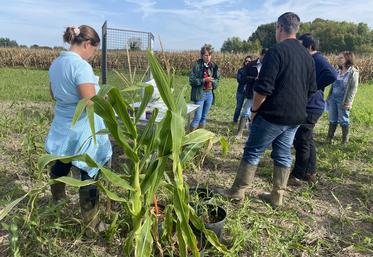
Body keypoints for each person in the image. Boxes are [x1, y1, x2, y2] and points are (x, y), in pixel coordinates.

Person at [217, 12, 316, 208]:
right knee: (283, 154)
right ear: (296, 29)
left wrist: (254, 111)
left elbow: (263, 88)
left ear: (279, 27)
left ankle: (237, 192)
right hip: (296, 117)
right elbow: (312, 89)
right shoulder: (307, 55)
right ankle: (277, 197)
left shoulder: (275, 52)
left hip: (272, 116)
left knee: (253, 151)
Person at [46, 25, 112, 233]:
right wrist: (107, 101)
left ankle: (57, 202)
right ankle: (92, 224)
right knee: (89, 172)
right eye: (94, 49)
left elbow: (53, 93)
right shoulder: (81, 66)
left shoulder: (56, 63)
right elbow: (90, 102)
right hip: (82, 128)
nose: (93, 55)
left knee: (62, 162)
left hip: (63, 126)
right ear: (86, 44)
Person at [288, 33, 337, 186]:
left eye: (301, 46)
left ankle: (297, 175)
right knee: (307, 140)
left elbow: (332, 74)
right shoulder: (311, 59)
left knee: (302, 140)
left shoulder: (318, 59)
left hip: (311, 106)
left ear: (310, 47)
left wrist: (313, 87)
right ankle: (310, 172)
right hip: (310, 105)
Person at [326, 51, 359, 144]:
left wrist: (349, 102)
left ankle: (345, 141)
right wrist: (329, 98)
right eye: (338, 57)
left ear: (348, 59)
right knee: (332, 118)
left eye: (341, 58)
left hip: (343, 99)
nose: (338, 59)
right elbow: (332, 86)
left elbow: (353, 88)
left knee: (343, 119)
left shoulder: (353, 72)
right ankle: (329, 138)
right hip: (333, 98)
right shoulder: (337, 70)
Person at [236, 48, 269, 139]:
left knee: (260, 115)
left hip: (263, 94)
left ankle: (254, 134)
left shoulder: (269, 66)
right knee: (246, 112)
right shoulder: (251, 64)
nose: (266, 59)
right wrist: (253, 78)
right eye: (265, 56)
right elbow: (243, 77)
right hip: (251, 93)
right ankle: (239, 133)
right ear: (261, 55)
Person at [189, 44, 220, 131]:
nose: (208, 57)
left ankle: (199, 137)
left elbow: (217, 79)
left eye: (210, 55)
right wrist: (204, 80)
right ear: (202, 55)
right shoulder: (197, 65)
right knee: (197, 117)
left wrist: (213, 82)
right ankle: (190, 138)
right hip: (200, 94)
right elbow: (191, 80)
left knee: (204, 117)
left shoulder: (214, 66)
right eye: (206, 55)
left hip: (209, 94)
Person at [233, 55, 252, 126]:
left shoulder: (252, 71)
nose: (247, 62)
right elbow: (239, 80)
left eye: (249, 61)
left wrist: (248, 78)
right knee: (238, 107)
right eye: (246, 61)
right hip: (241, 91)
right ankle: (235, 121)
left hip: (249, 92)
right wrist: (248, 78)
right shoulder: (241, 70)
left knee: (248, 109)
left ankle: (245, 123)